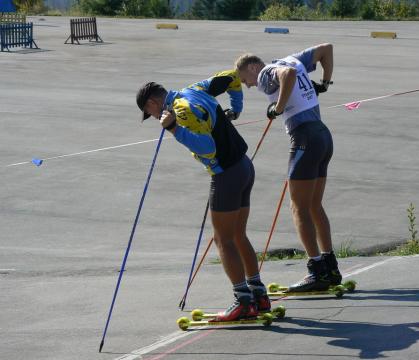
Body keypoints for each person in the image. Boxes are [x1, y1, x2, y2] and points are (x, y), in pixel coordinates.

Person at [136, 70, 270, 321]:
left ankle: (243, 301)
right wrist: (236, 108)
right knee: (238, 235)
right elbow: (232, 77)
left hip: (226, 175)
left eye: (150, 112)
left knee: (223, 240)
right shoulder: (194, 89)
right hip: (244, 166)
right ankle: (259, 295)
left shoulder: (181, 110)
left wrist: (175, 128)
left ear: (153, 103)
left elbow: (208, 148)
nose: (154, 117)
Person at [234, 44, 342, 292]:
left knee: (298, 207)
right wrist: (324, 83)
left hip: (305, 138)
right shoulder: (293, 59)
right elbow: (326, 48)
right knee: (314, 205)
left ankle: (316, 270)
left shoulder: (265, 73)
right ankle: (330, 266)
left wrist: (279, 108)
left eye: (244, 79)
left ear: (252, 67)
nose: (249, 85)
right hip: (323, 136)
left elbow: (287, 76)